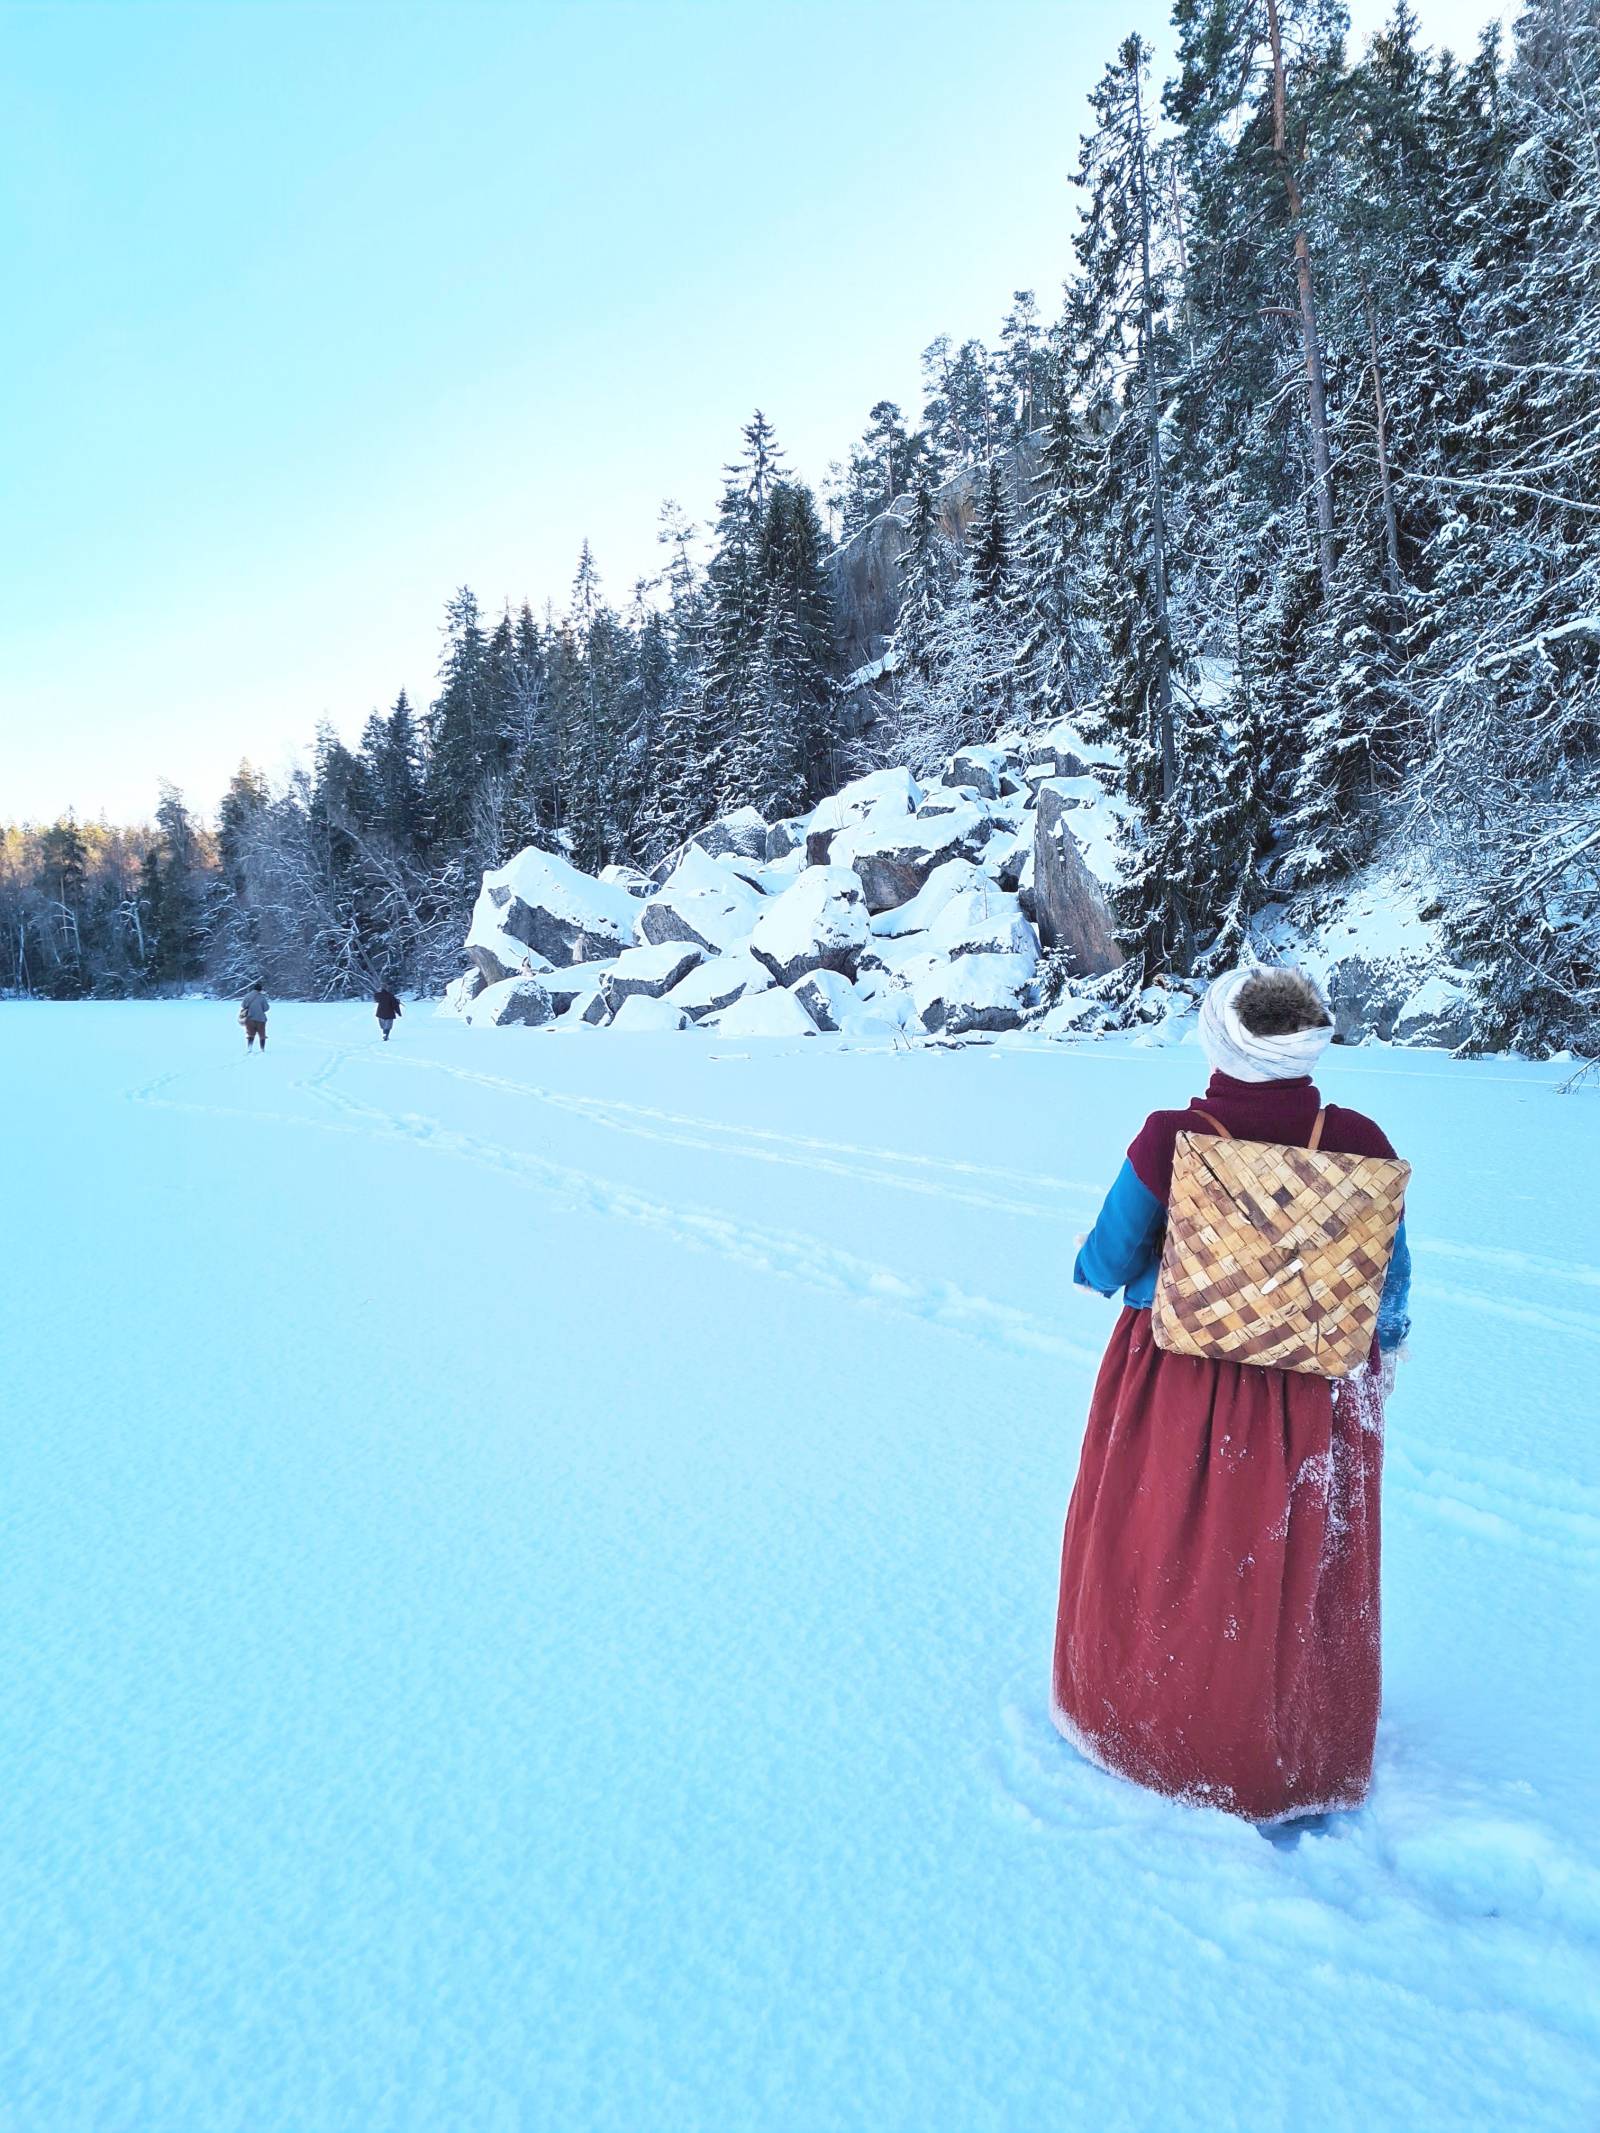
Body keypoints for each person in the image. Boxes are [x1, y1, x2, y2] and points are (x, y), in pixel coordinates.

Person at [1052, 966, 1411, 1826]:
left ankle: (1155, 1724)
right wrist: (1373, 1351)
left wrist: (1135, 1274)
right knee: (1293, 1558)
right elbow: (1389, 1291)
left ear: (1220, 1039)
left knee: (1170, 1546)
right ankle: (1296, 1737)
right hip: (1312, 1391)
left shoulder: (1172, 1136)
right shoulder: (1360, 1139)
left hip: (1183, 1380)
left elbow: (1103, 1264)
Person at [239, 982, 270, 1051]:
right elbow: (266, 1008)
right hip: (260, 1019)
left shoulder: (247, 996)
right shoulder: (262, 997)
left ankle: (250, 1048)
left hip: (249, 1019)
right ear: (260, 989)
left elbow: (243, 1006)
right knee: (262, 1035)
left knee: (250, 1034)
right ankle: (262, 1049)